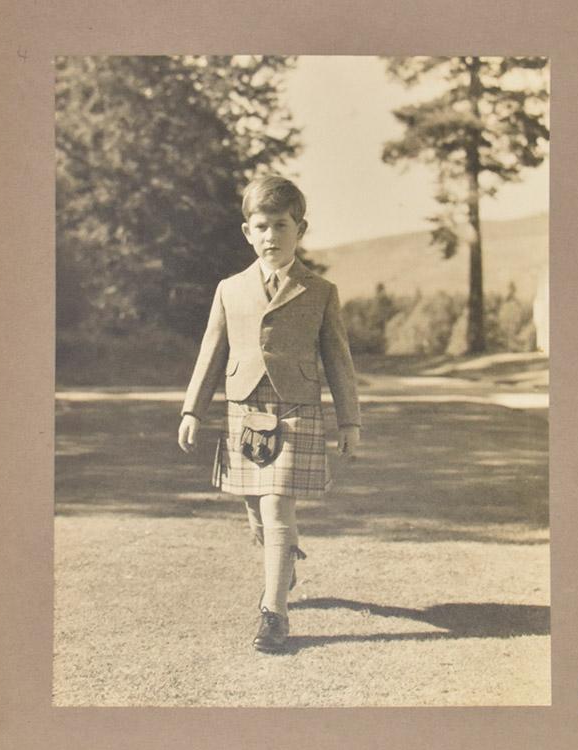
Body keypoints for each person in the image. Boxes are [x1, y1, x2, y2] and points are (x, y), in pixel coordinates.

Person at [177, 175, 361, 653]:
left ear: (301, 229)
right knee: (256, 511)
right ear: (247, 231)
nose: (271, 236)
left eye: (282, 225)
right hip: (244, 406)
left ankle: (273, 614)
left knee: (278, 505)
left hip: (296, 407)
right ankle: (285, 560)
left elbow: (338, 360)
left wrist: (350, 422)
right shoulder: (229, 289)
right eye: (261, 226)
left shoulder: (319, 291)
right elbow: (210, 352)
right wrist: (192, 409)